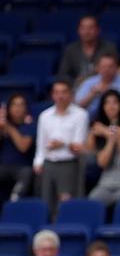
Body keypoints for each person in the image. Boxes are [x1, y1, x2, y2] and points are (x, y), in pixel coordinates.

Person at [33, 79, 88, 214]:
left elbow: (78, 146)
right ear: (52, 95)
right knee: (46, 204)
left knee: (66, 205)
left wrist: (62, 144)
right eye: (57, 92)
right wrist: (38, 161)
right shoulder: (45, 116)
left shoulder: (80, 115)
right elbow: (41, 143)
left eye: (64, 92)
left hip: (68, 164)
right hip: (48, 163)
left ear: (71, 94)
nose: (60, 96)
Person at [57, 15, 116, 86]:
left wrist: (86, 79)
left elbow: (114, 72)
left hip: (103, 87)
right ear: (78, 30)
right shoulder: (70, 50)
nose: (86, 32)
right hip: (76, 88)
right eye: (83, 28)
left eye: (90, 28)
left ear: (98, 30)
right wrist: (75, 83)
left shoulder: (109, 48)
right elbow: (63, 74)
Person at [0, 93, 35, 200]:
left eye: (21, 105)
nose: (17, 108)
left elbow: (23, 147)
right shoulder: (2, 125)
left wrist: (8, 127)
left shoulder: (30, 125)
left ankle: (15, 202)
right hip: (3, 167)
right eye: (14, 105)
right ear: (9, 108)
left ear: (26, 108)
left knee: (26, 173)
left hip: (22, 167)